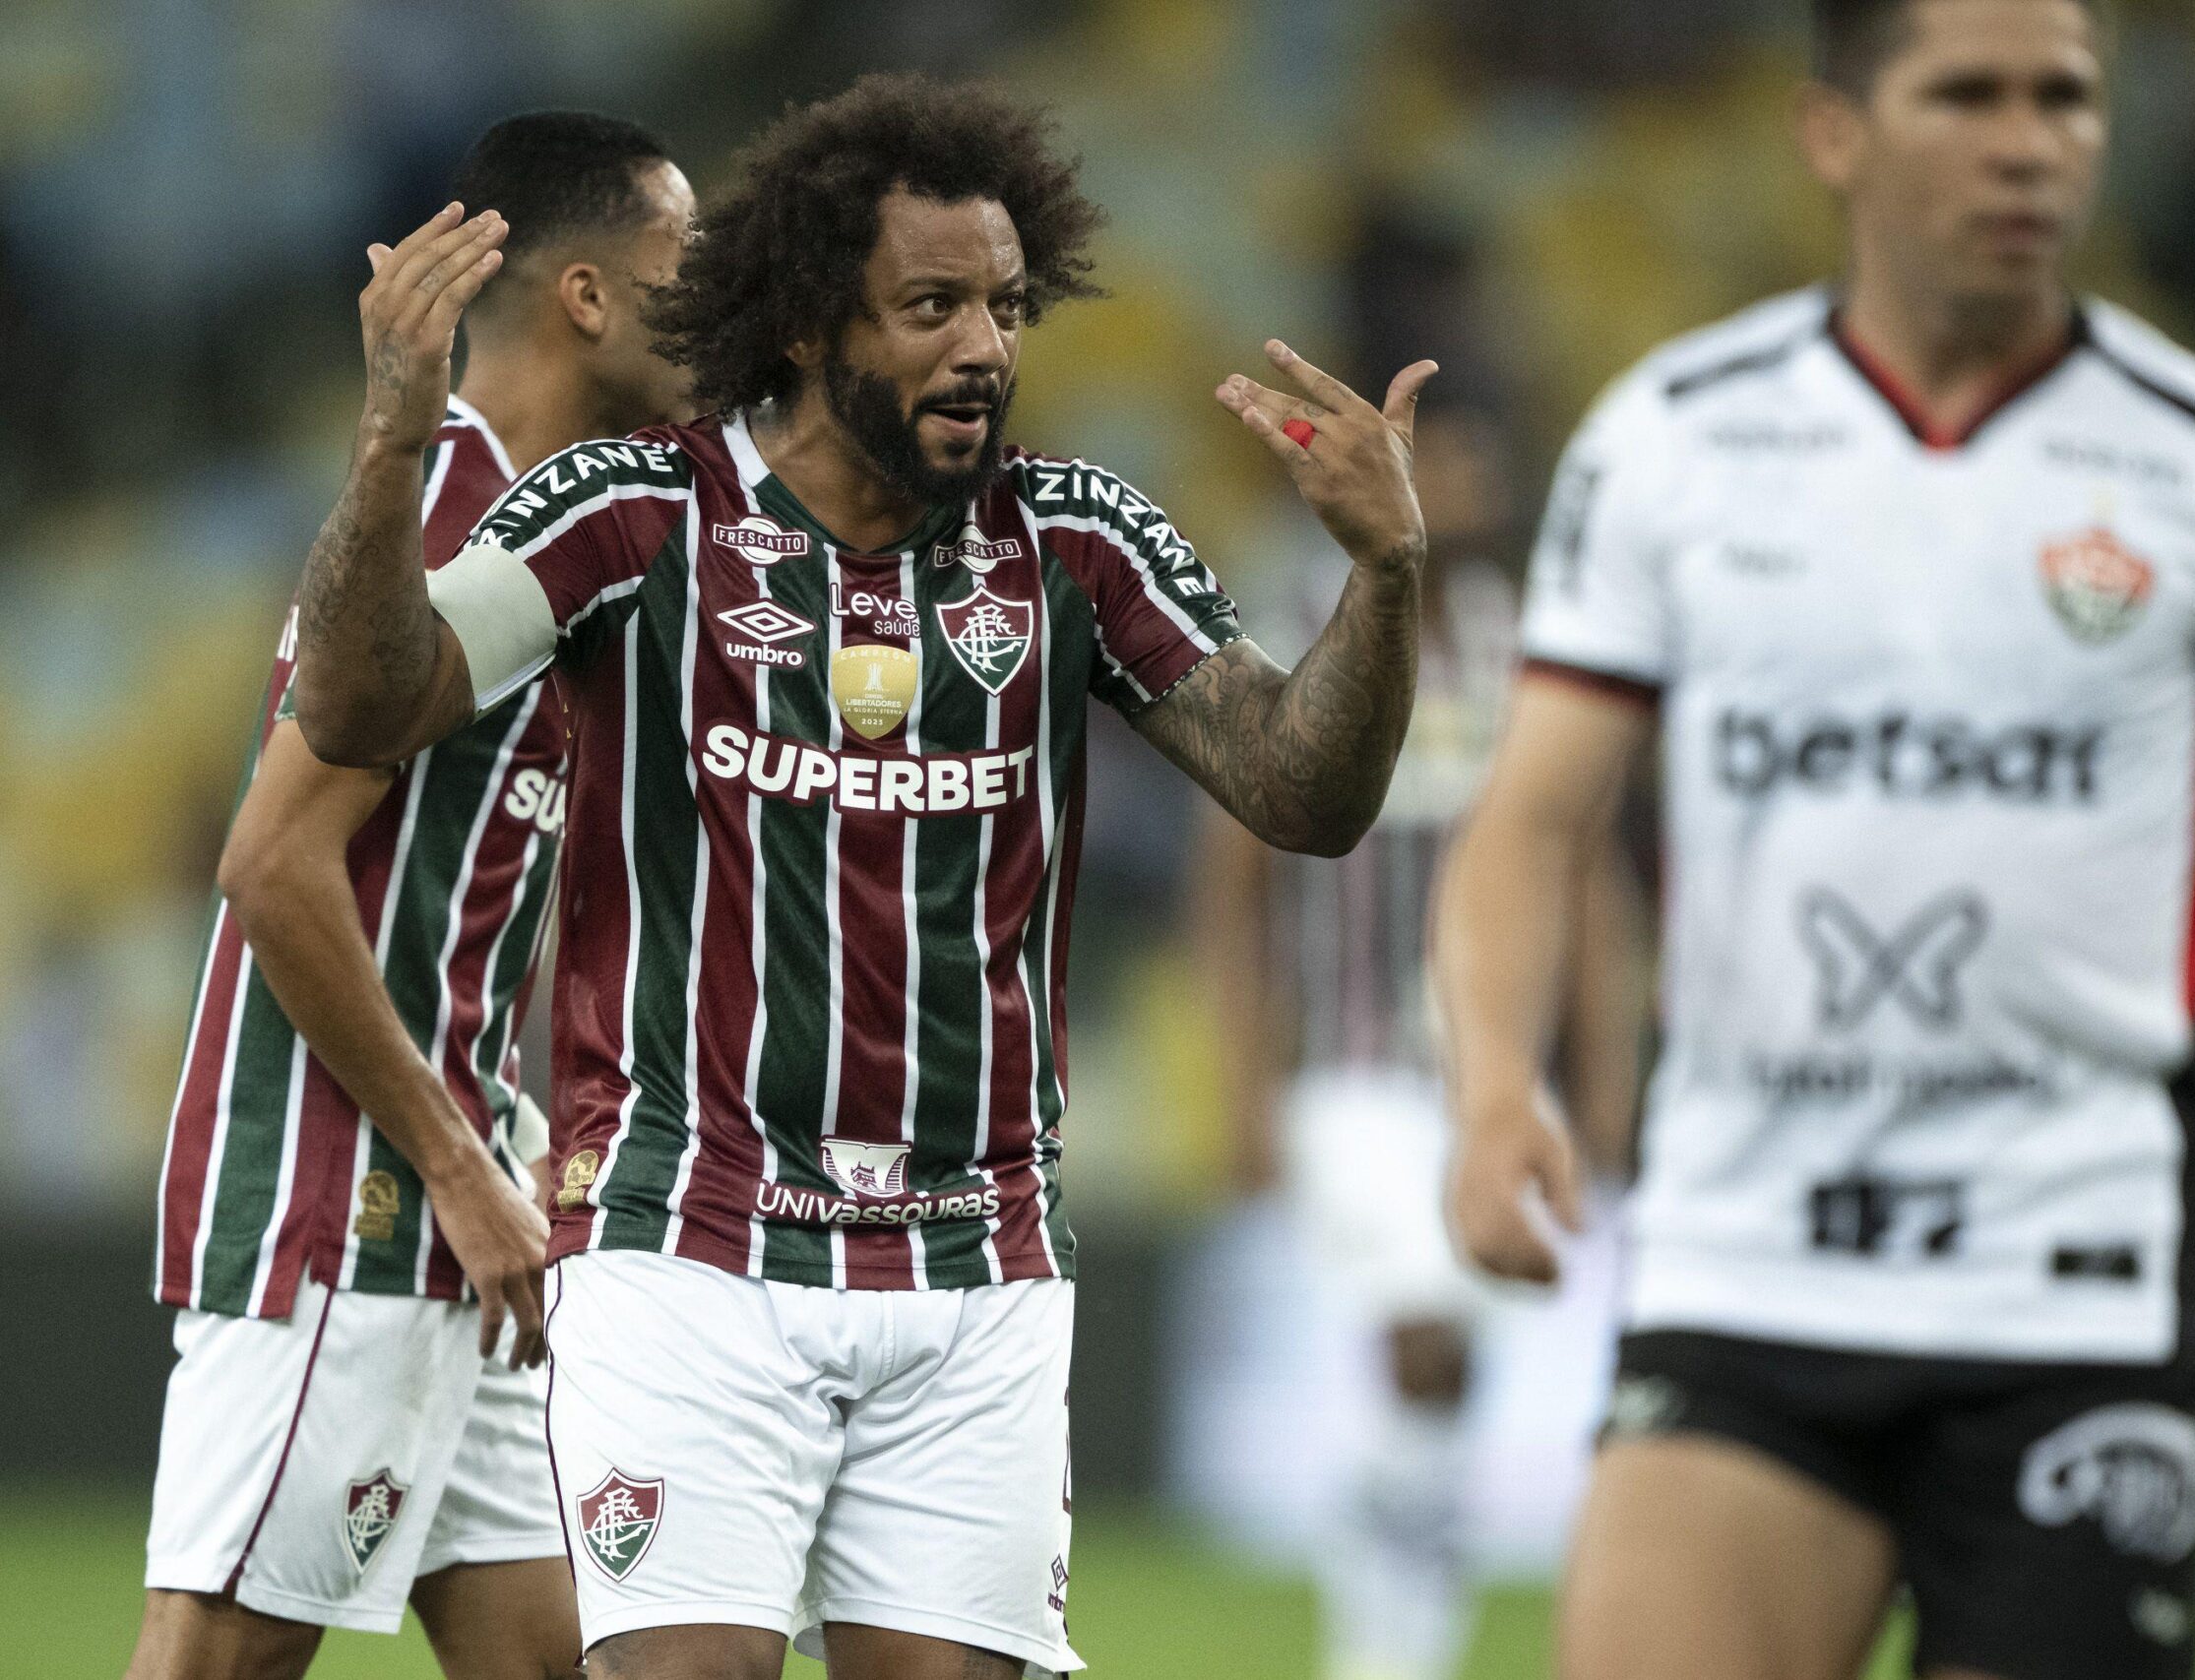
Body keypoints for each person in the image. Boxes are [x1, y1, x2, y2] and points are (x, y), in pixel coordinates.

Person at [284, 73, 1438, 1680]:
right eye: (934, 304)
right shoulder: (636, 514)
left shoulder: (1074, 541)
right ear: (821, 321)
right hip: (690, 1244)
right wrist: (395, 439)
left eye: (1009, 305)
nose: (986, 346)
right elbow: (353, 703)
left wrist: (1385, 579)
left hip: (977, 1258)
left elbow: (1303, 794)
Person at [1433, 5, 2195, 1680]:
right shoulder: (1677, 439)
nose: (2027, 142)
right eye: (1967, 95)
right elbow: (1531, 818)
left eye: (2064, 99)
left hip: (2075, 1285)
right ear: (1836, 133)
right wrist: (1496, 1090)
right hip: (1749, 1259)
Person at [133, 112, 695, 1680]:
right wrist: (452, 1159)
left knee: (559, 1654)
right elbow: (271, 865)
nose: (707, 305)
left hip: (464, 1197)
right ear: (586, 294)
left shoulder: (547, 511)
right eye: (682, 266)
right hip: (352, 1192)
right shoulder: (453, 505)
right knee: (217, 1661)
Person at [1199, 394, 1645, 1680]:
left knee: (1455, 1371)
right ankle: (1383, 1659)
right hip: (1348, 1073)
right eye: (1433, 459)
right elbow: (1230, 890)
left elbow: (1589, 879)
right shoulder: (1293, 629)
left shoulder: (1529, 653)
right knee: (1422, 1342)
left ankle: (1405, 1627)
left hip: (1497, 1075)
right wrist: (1239, 1083)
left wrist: (1606, 1075)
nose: (1456, 481)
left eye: (1470, 460)